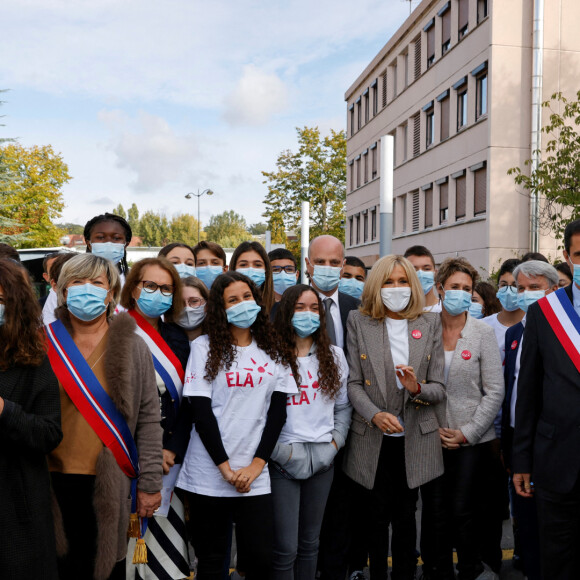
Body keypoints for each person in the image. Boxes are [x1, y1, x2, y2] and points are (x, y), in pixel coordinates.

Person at [45, 253, 163, 580]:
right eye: (77, 282)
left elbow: (149, 419)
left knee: (105, 571)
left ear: (111, 293)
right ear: (62, 290)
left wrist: (151, 483)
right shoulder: (43, 343)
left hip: (111, 481)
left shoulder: (133, 346)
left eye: (97, 283)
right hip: (50, 480)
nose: (87, 290)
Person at [174, 271, 298, 579]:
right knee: (212, 562)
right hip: (209, 474)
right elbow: (201, 414)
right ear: (220, 308)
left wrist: (256, 466)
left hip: (255, 476)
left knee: (259, 561)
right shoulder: (204, 348)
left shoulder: (275, 349)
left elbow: (277, 415)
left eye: (247, 297)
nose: (243, 304)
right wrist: (225, 468)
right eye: (233, 300)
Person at [342, 254, 446, 580]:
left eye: (402, 281)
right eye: (388, 281)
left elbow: (440, 388)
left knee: (405, 519)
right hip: (373, 438)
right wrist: (375, 415)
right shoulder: (358, 321)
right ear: (377, 286)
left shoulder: (429, 323)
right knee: (374, 519)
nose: (396, 288)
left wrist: (417, 388)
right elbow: (354, 384)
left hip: (414, 438)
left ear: (413, 285)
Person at [512, 219, 580, 579]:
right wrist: (522, 459)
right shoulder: (544, 312)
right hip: (556, 462)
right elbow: (529, 393)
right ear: (567, 257)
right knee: (557, 560)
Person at [269, 284, 352, 579]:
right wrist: (280, 452)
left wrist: (334, 445)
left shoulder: (334, 356)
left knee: (310, 544)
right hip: (282, 461)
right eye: (300, 307)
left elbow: (343, 408)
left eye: (314, 308)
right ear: (287, 311)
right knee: (285, 548)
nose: (308, 314)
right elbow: (260, 414)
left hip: (323, 460)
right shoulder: (271, 356)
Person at [119, 257, 191, 579]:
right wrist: (143, 453)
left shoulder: (178, 338)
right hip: (127, 454)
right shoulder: (114, 330)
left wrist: (171, 449)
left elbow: (190, 402)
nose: (157, 293)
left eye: (166, 288)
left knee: (164, 553)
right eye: (150, 285)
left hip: (169, 461)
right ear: (134, 288)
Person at [435, 257, 504, 580]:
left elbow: (494, 392)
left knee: (464, 511)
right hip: (431, 438)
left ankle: (471, 570)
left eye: (467, 289)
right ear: (439, 289)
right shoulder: (422, 328)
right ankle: (440, 572)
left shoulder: (482, 333)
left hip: (472, 442)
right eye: (454, 288)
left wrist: (467, 433)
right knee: (436, 514)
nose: (460, 294)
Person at [0, 259, 63, 580]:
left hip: (16, 506)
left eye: (0, 300)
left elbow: (49, 433)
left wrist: (4, 411)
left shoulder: (33, 360)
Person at [304, 235, 359, 580]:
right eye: (319, 262)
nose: (327, 269)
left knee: (343, 508)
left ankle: (339, 571)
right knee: (306, 518)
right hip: (303, 429)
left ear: (343, 265)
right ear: (307, 264)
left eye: (334, 262)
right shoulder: (287, 308)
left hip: (350, 425)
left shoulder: (359, 307)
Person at [502, 261, 559, 580]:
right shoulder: (513, 333)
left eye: (533, 288)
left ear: (552, 290)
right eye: (520, 288)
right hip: (518, 444)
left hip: (552, 446)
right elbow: (514, 393)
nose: (525, 295)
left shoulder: (564, 332)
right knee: (524, 522)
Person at [482, 259, 524, 364]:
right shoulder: (484, 326)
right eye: (504, 285)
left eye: (515, 286)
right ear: (498, 288)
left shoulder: (531, 326)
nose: (509, 291)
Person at [84, 212, 132, 281]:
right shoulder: (74, 279)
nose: (108, 243)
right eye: (100, 237)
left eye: (116, 238)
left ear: (126, 245)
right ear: (89, 244)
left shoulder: (136, 281)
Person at [230, 241, 275, 314]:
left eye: (257, 265)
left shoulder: (278, 311)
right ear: (233, 268)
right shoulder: (222, 308)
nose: (250, 270)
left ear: (266, 270)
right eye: (243, 265)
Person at [42, 252, 77, 325]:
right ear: (55, 286)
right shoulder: (40, 306)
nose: (87, 287)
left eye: (96, 282)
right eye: (77, 281)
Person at [404, 245, 441, 313]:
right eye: (414, 270)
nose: (421, 274)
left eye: (426, 269)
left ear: (435, 273)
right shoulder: (400, 312)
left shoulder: (445, 310)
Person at [176, 275, 209, 342]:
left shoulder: (220, 340)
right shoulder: (163, 341)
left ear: (207, 303)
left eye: (194, 301)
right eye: (180, 303)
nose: (187, 308)